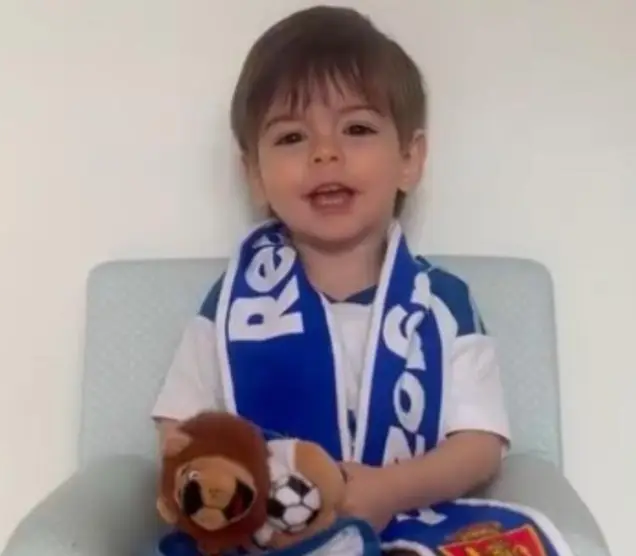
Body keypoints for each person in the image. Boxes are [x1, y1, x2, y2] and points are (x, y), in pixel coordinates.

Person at [151, 6, 568, 556]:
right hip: (263, 540)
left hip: (404, 527)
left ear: (409, 158)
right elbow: (179, 428)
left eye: (357, 129)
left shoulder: (442, 304)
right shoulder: (233, 304)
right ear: (255, 174)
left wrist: (390, 490)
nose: (325, 153)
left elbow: (479, 444)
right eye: (292, 136)